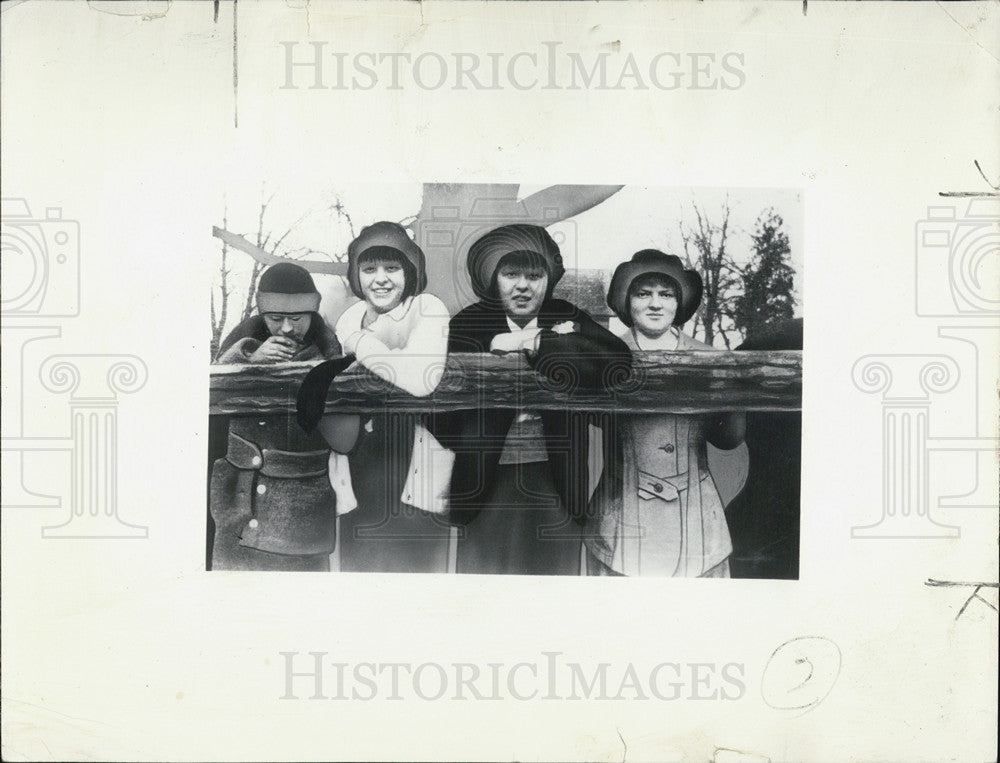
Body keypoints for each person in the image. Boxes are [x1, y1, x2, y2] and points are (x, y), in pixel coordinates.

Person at [437, 224, 632, 575]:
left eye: (534, 274)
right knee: (485, 580)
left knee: (553, 580)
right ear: (492, 278)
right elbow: (435, 407)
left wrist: (539, 343)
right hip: (487, 478)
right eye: (511, 274)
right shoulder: (467, 325)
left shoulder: (564, 315)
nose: (523, 285)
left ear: (549, 279)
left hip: (557, 476)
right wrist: (475, 437)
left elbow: (617, 360)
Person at [298, 221, 453, 573]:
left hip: (414, 456)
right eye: (369, 269)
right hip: (362, 458)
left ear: (410, 272)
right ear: (356, 274)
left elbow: (419, 379)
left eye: (392, 268)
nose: (380, 279)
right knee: (361, 567)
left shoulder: (427, 308)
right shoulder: (350, 316)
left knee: (416, 572)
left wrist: (359, 341)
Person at [585, 250, 746, 577]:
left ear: (679, 302)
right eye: (643, 294)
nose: (655, 304)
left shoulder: (709, 358)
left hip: (697, 523)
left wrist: (728, 392)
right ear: (627, 302)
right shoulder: (601, 357)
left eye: (666, 294)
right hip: (622, 522)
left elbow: (728, 439)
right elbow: (588, 418)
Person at [210, 262, 349, 571]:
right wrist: (250, 358)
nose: (286, 328)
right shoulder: (243, 338)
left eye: (297, 318)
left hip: (299, 503)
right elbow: (213, 387)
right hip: (240, 500)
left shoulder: (328, 346)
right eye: (275, 318)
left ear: (312, 312)